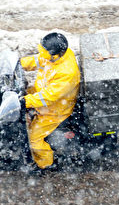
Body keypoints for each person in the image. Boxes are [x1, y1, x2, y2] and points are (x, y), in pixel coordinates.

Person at [18, 32, 81, 170]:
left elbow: (48, 97)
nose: (43, 55)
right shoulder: (55, 56)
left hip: (53, 111)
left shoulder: (67, 73)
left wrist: (25, 102)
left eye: (46, 53)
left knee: (33, 139)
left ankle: (45, 164)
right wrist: (19, 64)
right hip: (42, 98)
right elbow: (40, 59)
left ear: (56, 55)